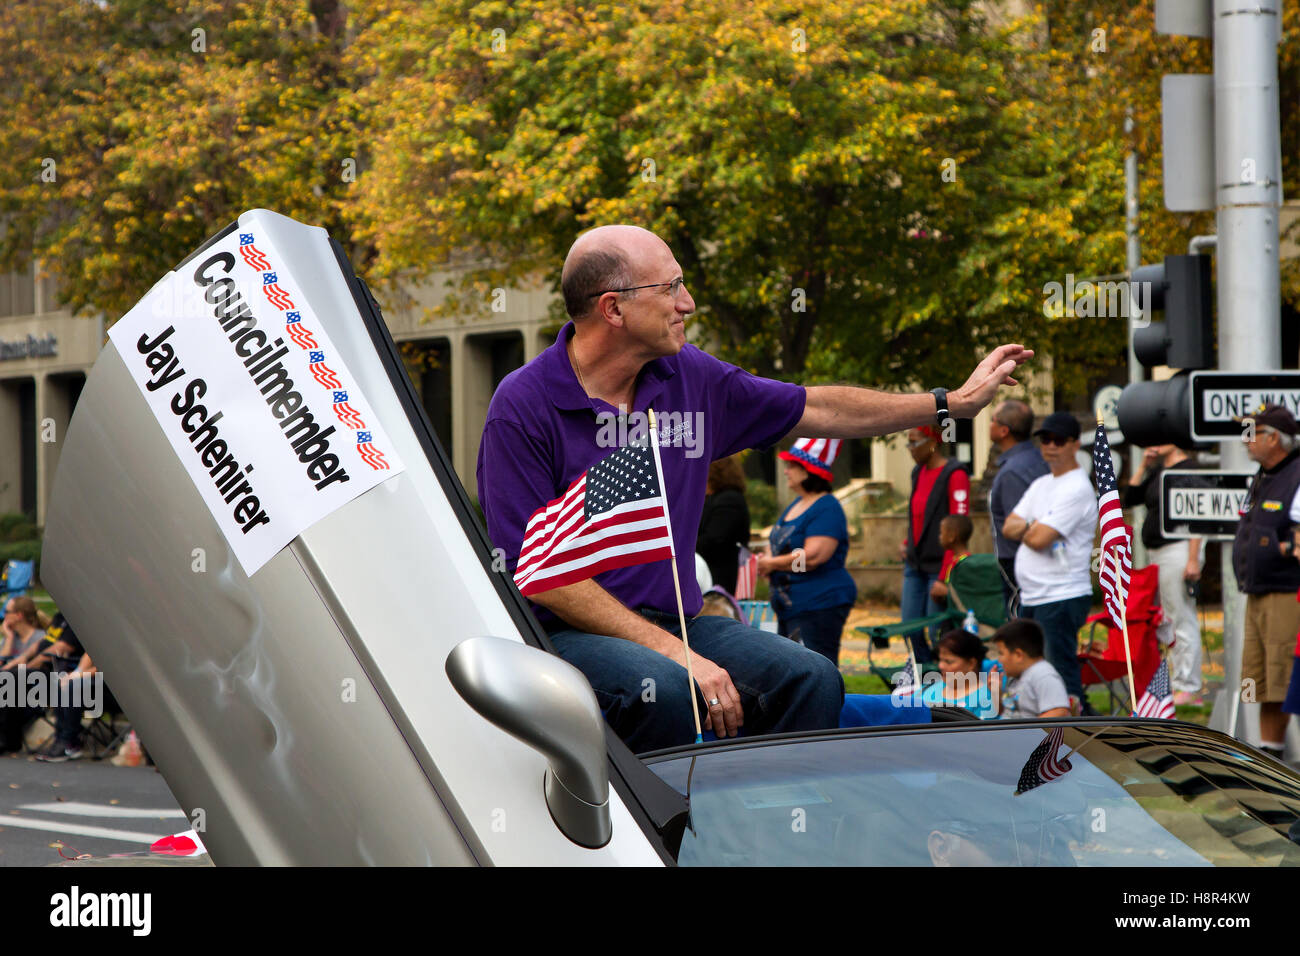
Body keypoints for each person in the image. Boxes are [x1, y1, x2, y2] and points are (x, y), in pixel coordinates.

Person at [475, 223, 1032, 753]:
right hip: (565, 636)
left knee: (811, 677)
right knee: (666, 690)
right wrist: (675, 654)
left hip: (678, 624)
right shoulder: (522, 405)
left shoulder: (689, 376)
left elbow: (816, 405)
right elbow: (542, 576)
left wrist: (948, 404)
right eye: (671, 287)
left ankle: (768, 830)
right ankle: (668, 842)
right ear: (612, 308)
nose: (687, 302)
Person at [1001, 411, 1097, 710]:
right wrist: (1036, 525)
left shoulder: (1077, 487)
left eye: (1058, 440)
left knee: (1060, 674)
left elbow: (1040, 539)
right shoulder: (1041, 484)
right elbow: (1008, 526)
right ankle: (1042, 730)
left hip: (1061, 594)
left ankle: (1076, 734)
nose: (1050, 445)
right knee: (1031, 674)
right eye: (1045, 439)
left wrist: (1030, 526)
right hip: (1034, 595)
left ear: (1075, 444)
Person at [1232, 403, 1300, 763]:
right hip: (1257, 594)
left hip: (1287, 596)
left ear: (1274, 438)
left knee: (1286, 680)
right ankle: (1269, 759)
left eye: (1251, 433)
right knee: (1260, 684)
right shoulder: (1263, 476)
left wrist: (1281, 548)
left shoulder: (1296, 475)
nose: (1245, 441)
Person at [758, 438, 858, 665]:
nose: (786, 471)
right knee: (793, 669)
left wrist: (772, 564)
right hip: (790, 605)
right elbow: (780, 542)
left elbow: (812, 558)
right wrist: (768, 558)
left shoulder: (827, 507)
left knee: (814, 668)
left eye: (792, 465)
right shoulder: (798, 503)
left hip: (818, 603)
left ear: (809, 470)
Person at [1123, 443, 1206, 705]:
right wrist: (1143, 466)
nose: (1154, 444)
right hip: (1157, 551)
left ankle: (1188, 686)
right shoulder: (1159, 471)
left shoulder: (1190, 470)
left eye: (1161, 439)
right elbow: (1129, 498)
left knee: (1180, 614)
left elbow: (1199, 515)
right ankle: (1172, 679)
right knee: (1165, 618)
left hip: (1179, 549)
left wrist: (1193, 558)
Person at [900, 424, 971, 662]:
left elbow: (958, 530)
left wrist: (944, 577)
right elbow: (917, 515)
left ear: (932, 442)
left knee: (938, 632)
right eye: (908, 442)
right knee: (910, 628)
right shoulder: (916, 473)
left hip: (939, 568)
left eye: (914, 442)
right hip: (915, 566)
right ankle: (924, 676)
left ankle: (943, 683)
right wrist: (907, 541)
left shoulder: (955, 475)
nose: (910, 449)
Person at [987, 400, 1049, 613]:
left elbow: (1021, 526)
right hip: (1032, 566)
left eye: (992, 420)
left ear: (1004, 431)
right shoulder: (1035, 459)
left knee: (1022, 634)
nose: (989, 425)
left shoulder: (1013, 471)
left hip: (1019, 566)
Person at [696, 455, 751, 596]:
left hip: (720, 577)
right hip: (708, 573)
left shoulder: (729, 499)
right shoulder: (711, 499)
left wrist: (682, 546)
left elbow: (715, 539)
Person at [994, 619, 1071, 718]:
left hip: (1025, 733)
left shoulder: (1043, 675)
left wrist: (1028, 732)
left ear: (1018, 655)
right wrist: (995, 693)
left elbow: (1058, 712)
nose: (999, 660)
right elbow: (1005, 713)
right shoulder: (1016, 676)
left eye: (1001, 653)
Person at [920, 629, 1001, 718]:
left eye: (948, 661)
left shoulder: (986, 700)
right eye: (940, 660)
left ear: (971, 664)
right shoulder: (928, 689)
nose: (941, 666)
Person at [929, 514, 974, 607]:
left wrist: (946, 592)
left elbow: (968, 595)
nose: (939, 537)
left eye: (941, 533)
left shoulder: (965, 563)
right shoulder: (952, 560)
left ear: (951, 537)